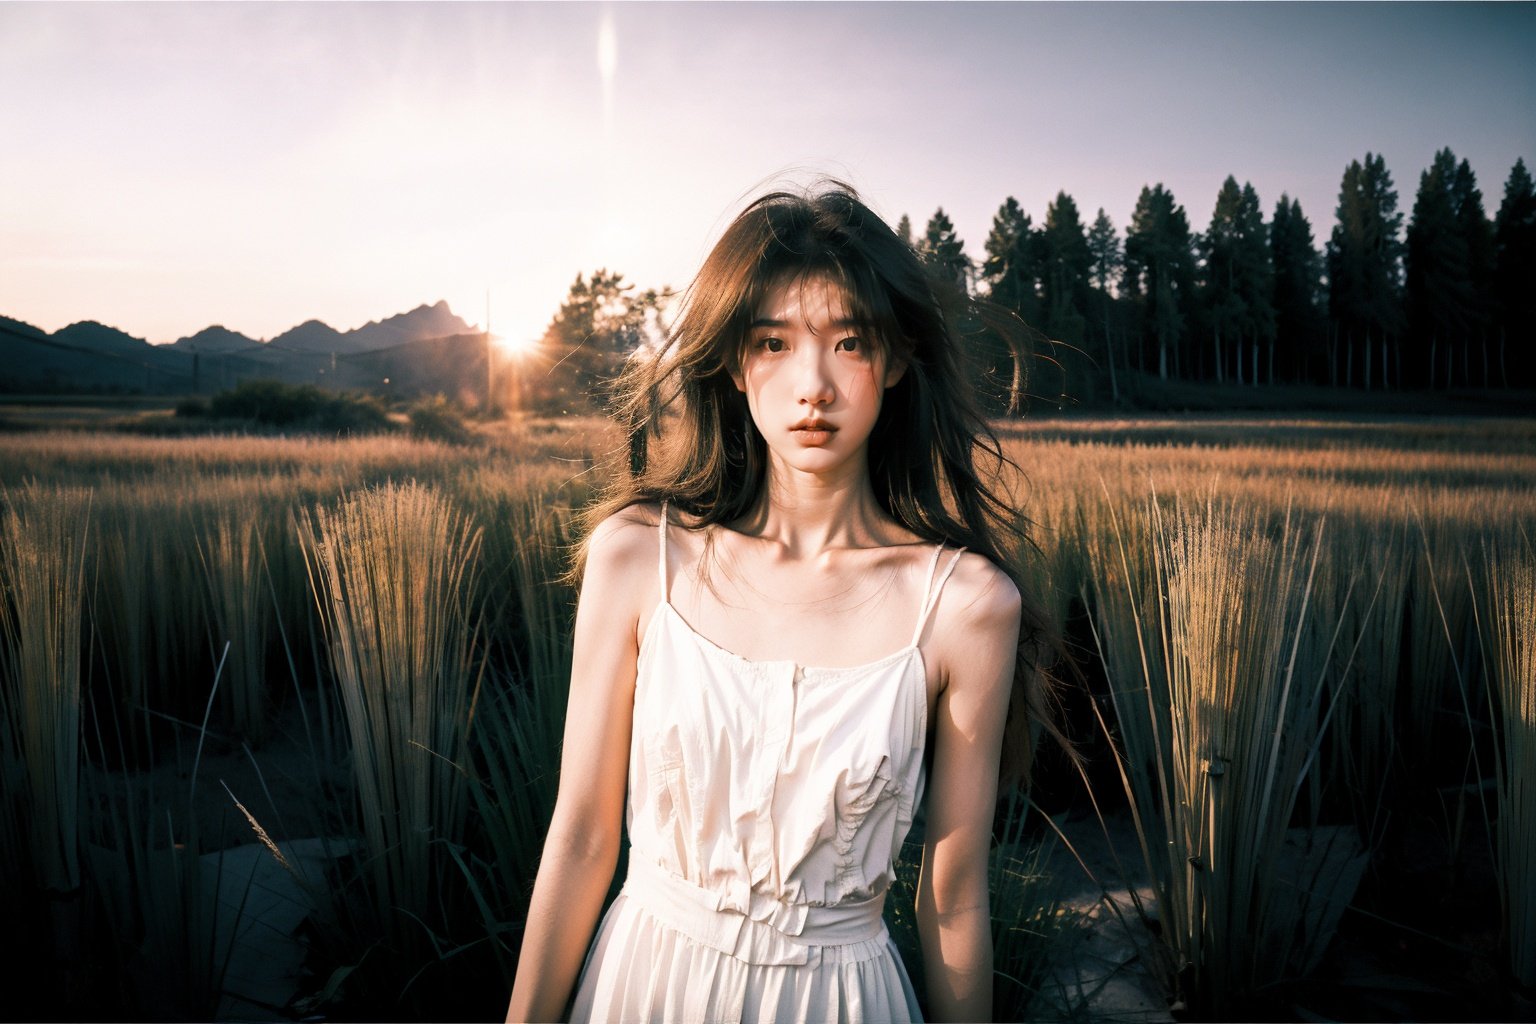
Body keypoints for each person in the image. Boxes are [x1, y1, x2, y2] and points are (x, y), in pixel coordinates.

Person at [506, 182, 1057, 1023]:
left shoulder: (965, 607)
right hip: (646, 985)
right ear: (733, 361)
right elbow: (582, 840)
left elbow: (952, 900)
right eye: (774, 343)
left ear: (898, 360)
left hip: (842, 1001)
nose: (813, 385)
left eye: (849, 342)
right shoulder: (637, 557)